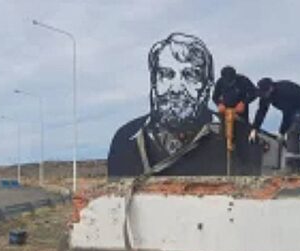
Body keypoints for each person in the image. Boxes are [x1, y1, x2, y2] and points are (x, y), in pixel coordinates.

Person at [107, 33, 262, 177]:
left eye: (190, 75)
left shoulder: (242, 137)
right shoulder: (125, 139)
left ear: (206, 86)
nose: (176, 88)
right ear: (154, 82)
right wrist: (220, 103)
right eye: (166, 74)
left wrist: (243, 103)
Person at [250, 78, 300, 174]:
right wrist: (254, 129)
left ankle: (291, 166)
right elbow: (261, 112)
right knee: (291, 133)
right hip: (293, 109)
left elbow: (288, 114)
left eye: (265, 93)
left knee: (293, 131)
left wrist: (281, 132)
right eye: (262, 94)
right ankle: (298, 166)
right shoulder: (264, 95)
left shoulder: (284, 90)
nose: (264, 96)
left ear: (271, 88)